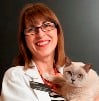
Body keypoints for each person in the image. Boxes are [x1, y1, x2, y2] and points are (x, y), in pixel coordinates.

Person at [1, 2, 99, 101]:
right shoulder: (16, 77)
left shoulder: (67, 73)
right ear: (24, 39)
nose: (40, 34)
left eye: (47, 25)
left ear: (57, 32)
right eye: (31, 29)